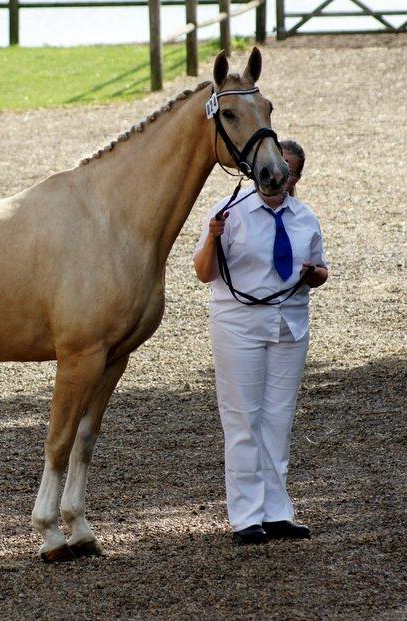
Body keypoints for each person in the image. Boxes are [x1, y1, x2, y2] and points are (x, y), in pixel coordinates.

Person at [193, 140, 329, 544]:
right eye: (273, 167)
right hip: (239, 326)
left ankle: (277, 511)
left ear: (296, 177)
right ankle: (246, 516)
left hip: (289, 327)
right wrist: (213, 238)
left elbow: (322, 271)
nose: (277, 175)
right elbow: (203, 273)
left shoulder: (305, 218)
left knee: (278, 419)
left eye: (288, 171)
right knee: (243, 420)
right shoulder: (228, 212)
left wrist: (313, 273)